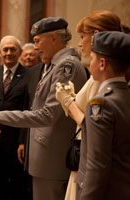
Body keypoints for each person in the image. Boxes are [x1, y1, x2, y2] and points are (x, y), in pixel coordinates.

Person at [0, 17, 87, 200]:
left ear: (54, 38)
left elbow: (48, 114)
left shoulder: (67, 66)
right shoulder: (54, 65)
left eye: (37, 41)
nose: (35, 47)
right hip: (44, 156)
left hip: (52, 159)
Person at [55, 10, 123, 200]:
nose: (79, 43)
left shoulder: (103, 76)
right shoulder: (103, 73)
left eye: (83, 37)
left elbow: (90, 124)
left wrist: (67, 101)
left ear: (95, 36)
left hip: (90, 158)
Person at [75, 31, 130, 200]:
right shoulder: (125, 95)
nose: (90, 62)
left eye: (92, 58)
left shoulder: (101, 104)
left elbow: (97, 166)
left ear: (102, 63)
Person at [0, 35, 29, 200]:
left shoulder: (29, 75)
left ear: (19, 52)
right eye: (5, 49)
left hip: (16, 141)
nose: (8, 53)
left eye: (13, 49)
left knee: (17, 186)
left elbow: (28, 109)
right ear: (0, 52)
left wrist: (22, 141)